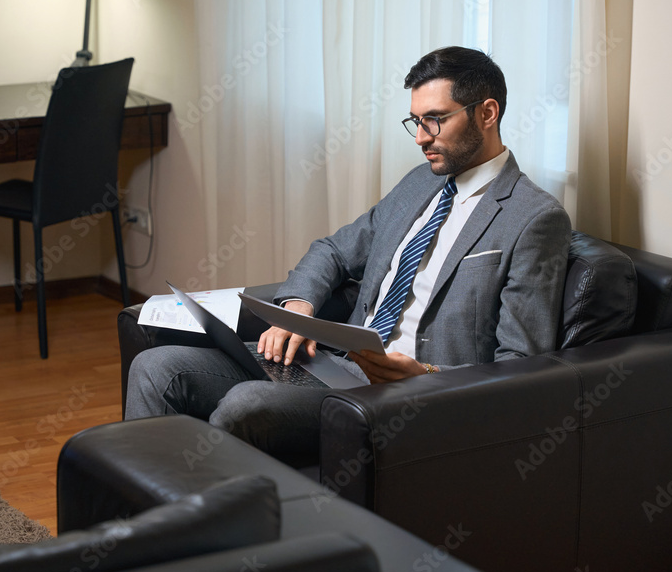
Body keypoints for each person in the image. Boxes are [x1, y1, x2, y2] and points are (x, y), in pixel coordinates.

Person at [127, 46, 571, 466]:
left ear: (487, 113)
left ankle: (200, 532)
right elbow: (334, 251)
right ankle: (144, 523)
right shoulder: (421, 183)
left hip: (413, 396)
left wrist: (425, 372)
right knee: (157, 366)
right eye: (414, 121)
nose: (420, 138)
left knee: (248, 404)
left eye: (434, 121)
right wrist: (296, 308)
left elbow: (522, 367)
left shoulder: (533, 218)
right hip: (337, 364)